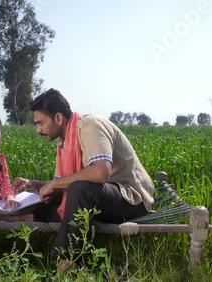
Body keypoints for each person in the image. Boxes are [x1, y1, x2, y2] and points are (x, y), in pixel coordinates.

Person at [12, 88, 155, 268]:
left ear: (58, 118)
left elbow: (100, 172)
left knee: (79, 189)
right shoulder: (64, 142)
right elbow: (62, 184)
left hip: (130, 198)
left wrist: (54, 184)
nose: (38, 130)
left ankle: (64, 261)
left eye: (40, 123)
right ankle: (20, 250)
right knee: (44, 204)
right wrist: (34, 184)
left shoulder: (90, 126)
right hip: (99, 198)